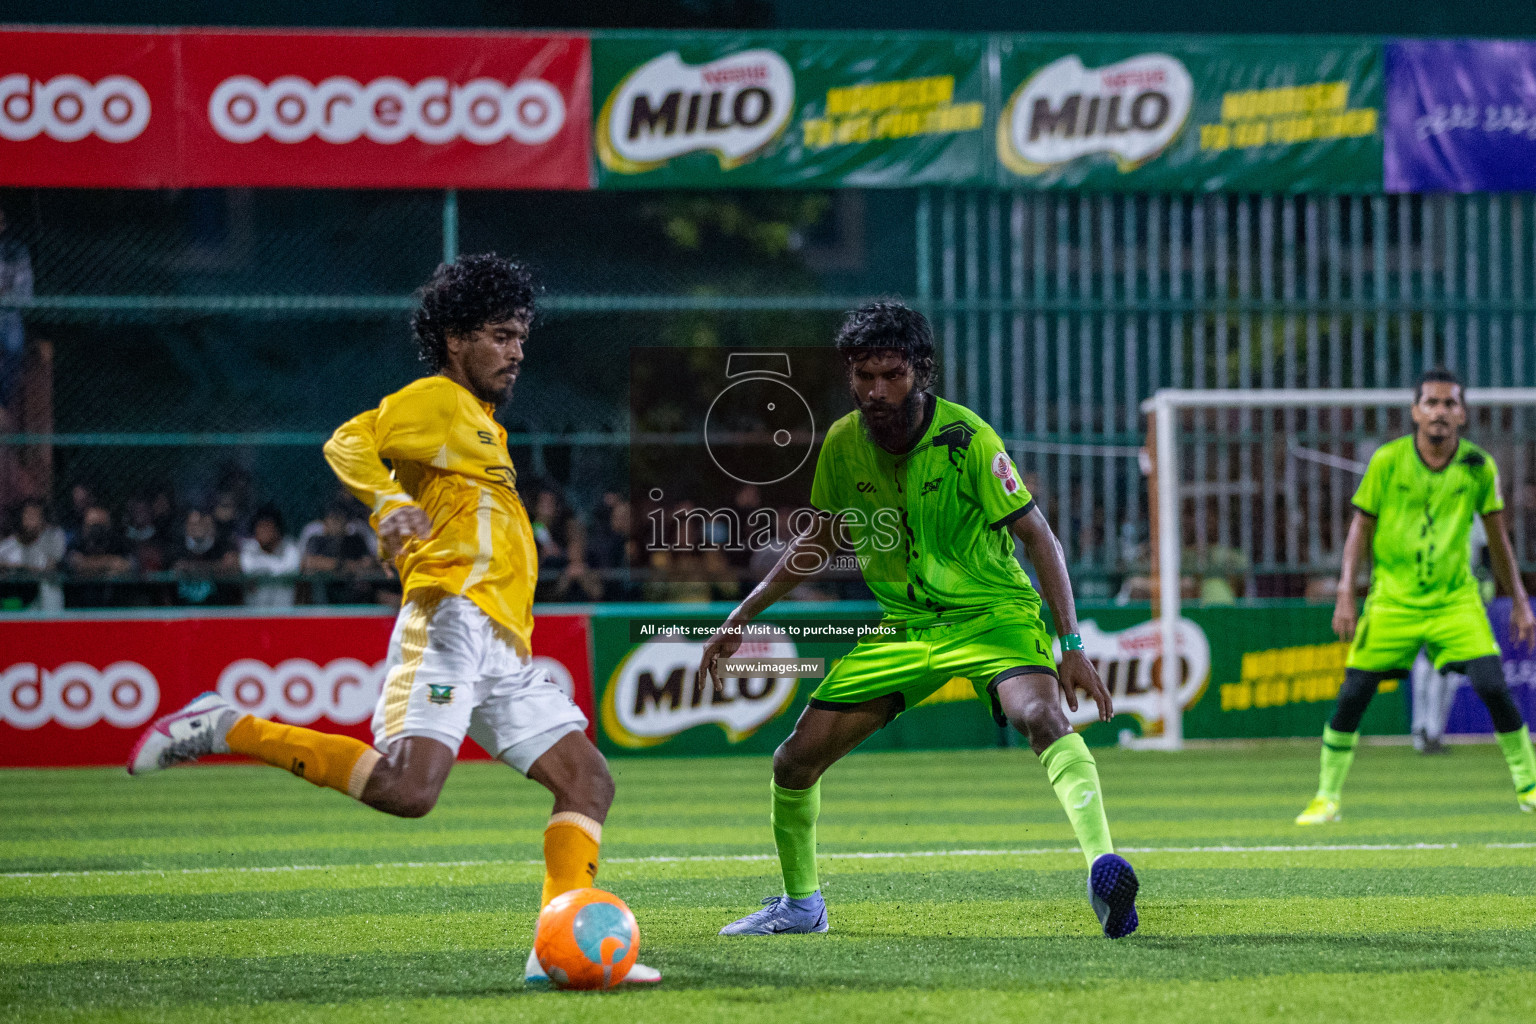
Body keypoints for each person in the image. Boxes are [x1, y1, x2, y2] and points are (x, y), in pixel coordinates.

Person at [126, 253, 659, 985]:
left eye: (522, 337)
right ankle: (226, 726)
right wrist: (384, 501)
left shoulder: (483, 424)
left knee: (589, 783)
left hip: (500, 642)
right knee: (410, 791)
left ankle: (555, 950)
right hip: (450, 620)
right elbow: (348, 439)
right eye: (501, 336)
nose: (517, 351)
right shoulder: (438, 401)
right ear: (454, 339)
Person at [701, 301, 1139, 940]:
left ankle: (1104, 869)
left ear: (920, 372)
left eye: (892, 375)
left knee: (1040, 715)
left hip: (991, 616)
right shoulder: (843, 445)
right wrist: (743, 612)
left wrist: (1069, 642)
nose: (877, 391)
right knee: (792, 763)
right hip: (905, 629)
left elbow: (1039, 538)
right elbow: (818, 541)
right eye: (864, 376)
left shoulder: (968, 439)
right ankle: (802, 907)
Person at [1297, 368, 1536, 824]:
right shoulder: (1387, 461)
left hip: (1454, 600)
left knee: (1492, 686)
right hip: (1393, 602)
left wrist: (1520, 600)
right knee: (1353, 694)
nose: (1440, 411)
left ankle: (1529, 786)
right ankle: (1326, 796)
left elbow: (1499, 540)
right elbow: (1360, 527)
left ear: (1462, 414)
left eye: (1449, 404)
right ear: (1415, 411)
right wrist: (1346, 590)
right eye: (1431, 403)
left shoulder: (1478, 466)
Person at [0, 498, 65, 610]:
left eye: (36, 516)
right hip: (16, 594)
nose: (32, 520)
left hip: (44, 594)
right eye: (28, 515)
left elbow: (50, 567)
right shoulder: (7, 546)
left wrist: (18, 567)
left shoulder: (53, 537)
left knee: (49, 588)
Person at [172, 507, 240, 606]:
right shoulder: (177, 547)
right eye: (192, 524)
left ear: (209, 524)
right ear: (186, 526)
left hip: (218, 610)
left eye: (201, 522)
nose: (197, 527)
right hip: (183, 610)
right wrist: (215, 567)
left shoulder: (222, 546)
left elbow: (232, 567)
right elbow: (173, 569)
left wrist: (192, 568)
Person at [240, 504, 302, 608]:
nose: (263, 531)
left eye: (267, 526)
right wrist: (277, 565)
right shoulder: (250, 547)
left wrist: (262, 566)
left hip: (285, 612)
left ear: (277, 529)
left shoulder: (290, 546)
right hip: (254, 614)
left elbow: (290, 568)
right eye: (260, 526)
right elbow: (248, 568)